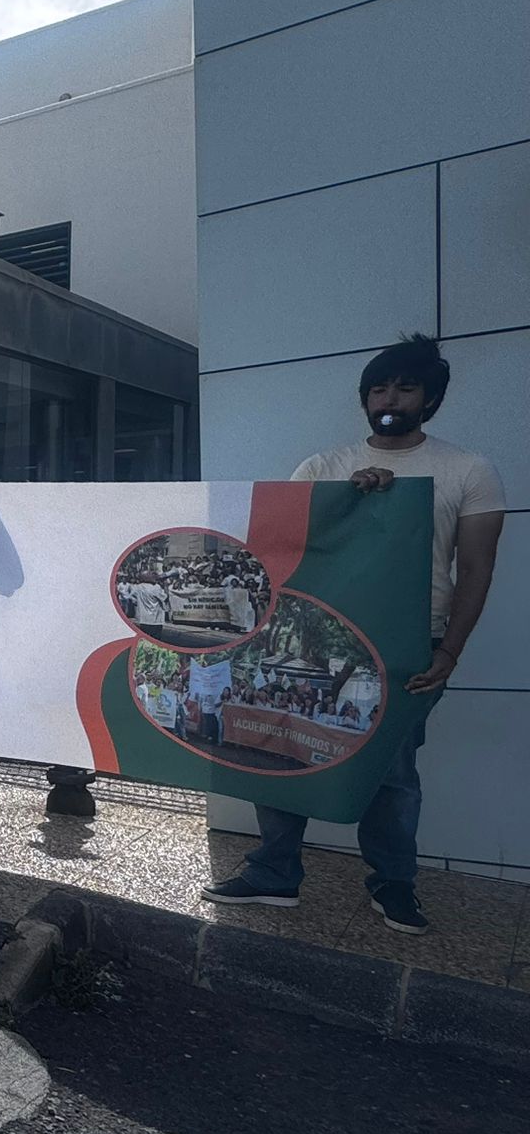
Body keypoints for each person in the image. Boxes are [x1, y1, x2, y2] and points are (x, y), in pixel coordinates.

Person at [203, 333, 504, 936]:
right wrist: (343, 503)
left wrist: (449, 651)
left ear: (431, 397)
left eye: (406, 386)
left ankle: (393, 884)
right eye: (379, 388)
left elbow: (475, 569)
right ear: (365, 398)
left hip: (410, 644)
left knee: (391, 771)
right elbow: (284, 551)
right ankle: (274, 873)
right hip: (314, 637)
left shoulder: (468, 470)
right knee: (283, 750)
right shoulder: (324, 467)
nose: (390, 397)